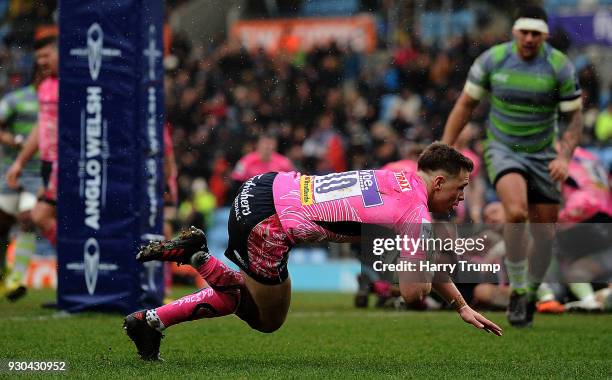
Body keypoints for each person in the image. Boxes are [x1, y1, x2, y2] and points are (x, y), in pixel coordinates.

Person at [124, 142, 502, 361]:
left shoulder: (398, 177)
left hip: (266, 188)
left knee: (241, 292)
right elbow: (413, 293)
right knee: (265, 318)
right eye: (460, 189)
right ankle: (198, 258)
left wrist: (460, 304)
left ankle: (150, 321)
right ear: (438, 181)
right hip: (269, 224)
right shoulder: (415, 212)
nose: (460, 199)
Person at [441, 5, 583, 327]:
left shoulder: (559, 66)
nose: (530, 39)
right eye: (524, 32)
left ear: (545, 36)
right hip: (504, 148)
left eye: (536, 33)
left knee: (545, 235)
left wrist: (564, 157)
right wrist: (446, 148)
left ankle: (530, 291)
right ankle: (518, 287)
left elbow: (574, 117)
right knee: (516, 212)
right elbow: (466, 104)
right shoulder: (492, 60)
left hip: (545, 153)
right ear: (514, 31)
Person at [6, 35, 58, 248]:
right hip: (44, 167)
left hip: (66, 166)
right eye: (38, 58)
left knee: (36, 216)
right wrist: (19, 161)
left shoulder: (77, 85)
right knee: (33, 218)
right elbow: (42, 128)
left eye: (46, 55)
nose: (41, 62)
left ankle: (75, 263)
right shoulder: (46, 87)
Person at [0, 67, 43, 301]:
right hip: (10, 171)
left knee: (29, 218)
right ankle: (3, 274)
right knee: (2, 227)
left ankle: (17, 277)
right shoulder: (16, 99)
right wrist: (14, 140)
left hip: (38, 175)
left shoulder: (58, 100)